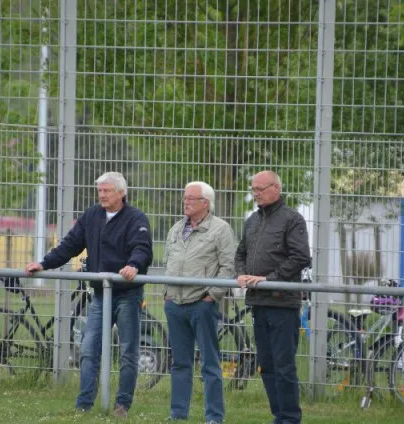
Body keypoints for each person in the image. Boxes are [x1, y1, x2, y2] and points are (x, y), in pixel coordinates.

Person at [25, 172, 153, 418]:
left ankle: (122, 405)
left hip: (128, 294)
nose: (102, 195)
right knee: (88, 348)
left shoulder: (136, 218)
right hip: (100, 294)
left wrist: (133, 265)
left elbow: (142, 248)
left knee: (128, 352)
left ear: (121, 193)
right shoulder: (92, 216)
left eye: (107, 191)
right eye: (100, 191)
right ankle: (84, 405)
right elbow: (70, 245)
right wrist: (43, 263)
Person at [235, 170, 310, 424]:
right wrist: (241, 273)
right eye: (253, 189)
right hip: (258, 303)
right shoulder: (252, 221)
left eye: (260, 189)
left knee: (283, 365)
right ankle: (278, 415)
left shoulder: (292, 219)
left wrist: (271, 278)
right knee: (266, 365)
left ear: (276, 189)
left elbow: (301, 257)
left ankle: (289, 418)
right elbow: (240, 254)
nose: (255, 193)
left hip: (282, 303)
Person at [163, 181, 236, 424]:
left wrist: (210, 297)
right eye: (185, 198)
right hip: (174, 304)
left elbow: (227, 267)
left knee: (209, 363)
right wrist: (167, 294)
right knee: (180, 363)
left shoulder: (221, 229)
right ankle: (177, 414)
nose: (186, 202)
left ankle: (214, 417)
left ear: (206, 203)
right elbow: (168, 261)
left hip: (201, 305)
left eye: (191, 198)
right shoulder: (176, 228)